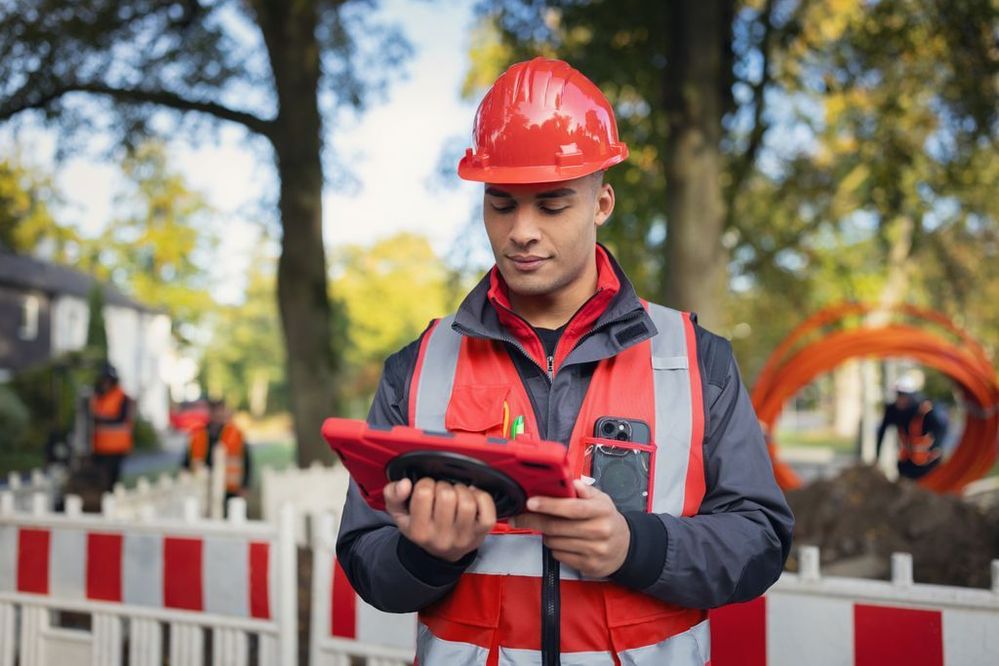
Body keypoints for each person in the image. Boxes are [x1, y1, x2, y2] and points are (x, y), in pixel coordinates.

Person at [336, 57, 793, 665]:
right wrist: (428, 554)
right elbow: (367, 561)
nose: (521, 231)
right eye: (501, 204)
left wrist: (635, 547)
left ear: (602, 203)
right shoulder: (416, 368)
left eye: (551, 205)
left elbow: (761, 540)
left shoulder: (696, 358)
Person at [876, 372, 948, 480]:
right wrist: (877, 458)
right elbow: (882, 431)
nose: (900, 399)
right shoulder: (893, 411)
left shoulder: (927, 410)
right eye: (898, 395)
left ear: (912, 396)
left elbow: (942, 427)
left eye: (904, 395)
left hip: (928, 464)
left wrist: (937, 446)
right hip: (906, 464)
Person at [183, 398, 251, 502]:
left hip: (229, 489)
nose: (218, 414)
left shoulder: (235, 434)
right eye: (215, 411)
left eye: (220, 411)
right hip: (203, 487)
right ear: (210, 413)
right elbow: (187, 461)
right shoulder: (198, 434)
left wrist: (245, 485)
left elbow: (246, 460)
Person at [89, 362, 134, 491]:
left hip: (116, 447)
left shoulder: (122, 397)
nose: (105, 384)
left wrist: (101, 418)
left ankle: (110, 496)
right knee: (98, 478)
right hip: (98, 447)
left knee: (111, 479)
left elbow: (121, 418)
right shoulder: (97, 396)